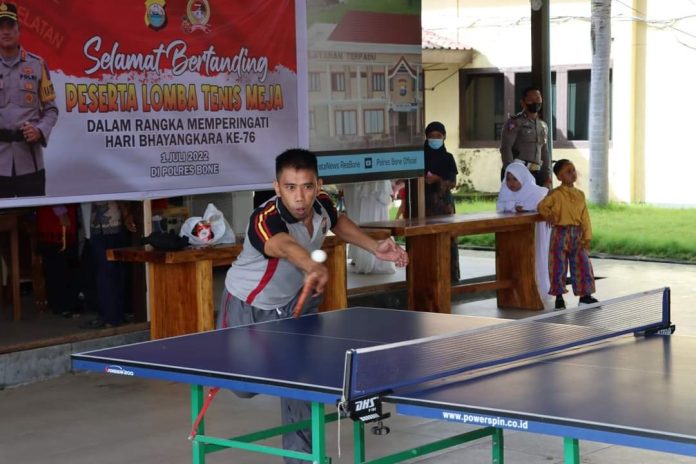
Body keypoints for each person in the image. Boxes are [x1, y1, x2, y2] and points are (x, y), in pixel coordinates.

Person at [217, 148, 408, 464]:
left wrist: (376, 247)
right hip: (248, 305)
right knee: (245, 388)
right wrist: (310, 266)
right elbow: (284, 246)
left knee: (299, 378)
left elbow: (338, 221)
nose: (300, 197)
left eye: (307, 186)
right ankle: (234, 364)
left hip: (295, 304)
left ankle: (300, 458)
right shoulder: (264, 219)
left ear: (319, 185)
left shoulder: (323, 206)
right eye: (290, 187)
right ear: (277, 188)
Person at [0, 2, 59, 198]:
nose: (5, 32)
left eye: (10, 26)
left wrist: (39, 130)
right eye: (1, 27)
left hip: (30, 163)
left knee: (30, 223)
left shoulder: (37, 65)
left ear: (19, 31)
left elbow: (51, 110)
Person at [537, 159, 598, 309]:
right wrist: (548, 214)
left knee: (583, 263)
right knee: (558, 265)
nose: (572, 173)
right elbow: (542, 206)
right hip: (560, 233)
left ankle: (585, 296)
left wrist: (587, 236)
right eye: (568, 172)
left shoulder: (580, 195)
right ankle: (559, 297)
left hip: (577, 234)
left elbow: (585, 217)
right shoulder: (555, 194)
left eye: (573, 170)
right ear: (559, 177)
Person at [497, 160, 551, 297]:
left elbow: (541, 204)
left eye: (515, 179)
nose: (511, 183)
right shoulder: (505, 192)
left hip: (535, 233)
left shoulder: (535, 192)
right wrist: (513, 206)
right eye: (508, 179)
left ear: (523, 177)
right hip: (514, 234)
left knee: (535, 258)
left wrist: (524, 207)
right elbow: (500, 207)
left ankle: (537, 289)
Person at [81, 201, 136, 328]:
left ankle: (112, 316)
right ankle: (112, 315)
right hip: (102, 225)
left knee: (109, 272)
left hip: (110, 225)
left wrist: (126, 213)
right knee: (109, 272)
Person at [423, 121, 460, 282]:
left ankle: (450, 277)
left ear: (444, 137)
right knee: (425, 240)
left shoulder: (448, 157)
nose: (435, 139)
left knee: (447, 238)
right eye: (431, 136)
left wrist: (438, 179)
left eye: (438, 136)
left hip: (444, 205)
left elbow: (453, 182)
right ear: (426, 137)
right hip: (424, 204)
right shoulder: (419, 156)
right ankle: (427, 276)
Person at [339, 180, 396, 274]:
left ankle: (369, 257)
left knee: (370, 214)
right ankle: (362, 256)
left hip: (372, 180)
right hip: (356, 178)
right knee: (357, 213)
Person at [499, 86, 550, 188]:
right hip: (518, 173)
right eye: (531, 100)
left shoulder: (543, 125)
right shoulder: (515, 122)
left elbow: (544, 151)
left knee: (537, 204)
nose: (535, 102)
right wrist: (512, 173)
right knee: (518, 204)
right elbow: (506, 148)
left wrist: (546, 175)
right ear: (523, 102)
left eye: (538, 99)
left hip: (537, 173)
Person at [35, 204, 81, 317]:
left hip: (69, 220)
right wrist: (61, 212)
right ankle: (61, 305)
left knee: (70, 264)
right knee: (56, 266)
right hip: (54, 221)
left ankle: (71, 302)